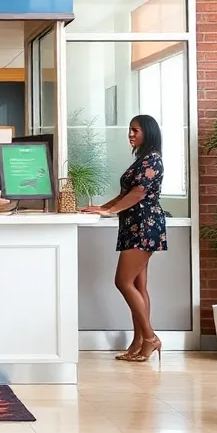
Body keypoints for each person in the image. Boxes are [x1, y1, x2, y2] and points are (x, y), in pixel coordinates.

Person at [82, 115, 167, 363]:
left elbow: (139, 193)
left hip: (145, 225)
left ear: (148, 132)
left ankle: (150, 338)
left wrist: (110, 211)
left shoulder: (153, 159)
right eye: (130, 130)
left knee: (123, 281)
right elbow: (125, 194)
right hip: (133, 224)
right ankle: (139, 341)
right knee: (139, 286)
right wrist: (102, 207)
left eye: (135, 130)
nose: (130, 134)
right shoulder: (142, 159)